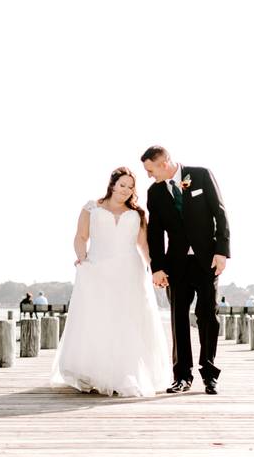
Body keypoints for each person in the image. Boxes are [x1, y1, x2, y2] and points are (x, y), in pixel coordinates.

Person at [50, 167, 169, 397]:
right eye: (122, 185)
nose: (126, 190)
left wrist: (155, 270)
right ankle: (93, 372)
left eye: (131, 187)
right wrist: (81, 258)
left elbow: (144, 245)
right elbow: (80, 236)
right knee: (98, 319)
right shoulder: (91, 207)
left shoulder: (138, 213)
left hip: (130, 271)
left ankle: (125, 373)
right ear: (112, 184)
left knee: (127, 320)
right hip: (98, 269)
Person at [142, 145, 230, 395]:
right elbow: (155, 233)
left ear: (164, 162)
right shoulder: (155, 192)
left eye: (151, 170)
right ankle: (182, 376)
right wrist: (157, 268)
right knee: (178, 319)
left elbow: (220, 214)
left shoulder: (201, 175)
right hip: (176, 265)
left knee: (208, 316)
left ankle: (209, 373)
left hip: (206, 261)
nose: (149, 175)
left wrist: (222, 251)